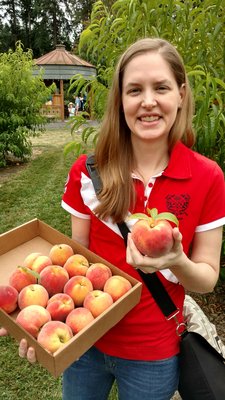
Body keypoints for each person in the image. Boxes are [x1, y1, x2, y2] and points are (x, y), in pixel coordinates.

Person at [1, 37, 225, 400]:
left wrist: (177, 261)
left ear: (181, 94)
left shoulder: (207, 177)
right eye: (134, 89)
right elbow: (76, 263)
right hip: (84, 341)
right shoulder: (88, 172)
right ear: (120, 100)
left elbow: (207, 279)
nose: (148, 101)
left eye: (161, 87)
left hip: (154, 353)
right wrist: (36, 322)